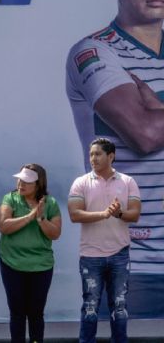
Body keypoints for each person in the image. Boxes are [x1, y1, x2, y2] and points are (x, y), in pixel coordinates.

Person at [65, 0, 164, 280]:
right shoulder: (94, 52)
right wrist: (150, 116)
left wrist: (157, 108)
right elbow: (145, 134)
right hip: (132, 263)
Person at [68, 138, 141, 343]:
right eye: (91, 154)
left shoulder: (127, 182)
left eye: (98, 154)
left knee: (119, 307)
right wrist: (104, 214)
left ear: (111, 156)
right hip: (90, 255)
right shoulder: (81, 182)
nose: (93, 158)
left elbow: (134, 214)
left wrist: (118, 214)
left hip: (119, 254)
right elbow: (74, 214)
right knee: (90, 306)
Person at [0, 164, 62, 343]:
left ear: (38, 184)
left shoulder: (51, 203)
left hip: (41, 265)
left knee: (36, 313)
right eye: (19, 179)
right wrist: (30, 216)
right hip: (12, 264)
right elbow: (3, 226)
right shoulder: (9, 199)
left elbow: (55, 233)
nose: (21, 183)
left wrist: (41, 218)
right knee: (17, 312)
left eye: (26, 181)